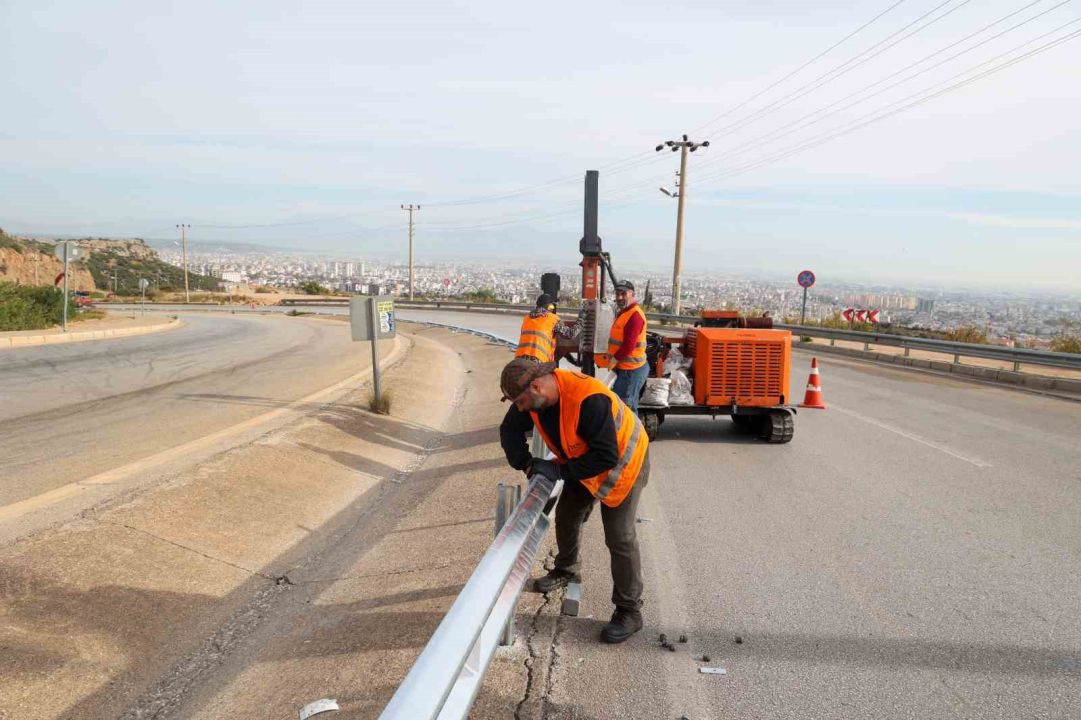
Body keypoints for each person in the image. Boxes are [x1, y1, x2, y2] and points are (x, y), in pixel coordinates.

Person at [498, 356, 650, 644]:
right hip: (585, 458)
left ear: (536, 387)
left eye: (519, 401)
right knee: (567, 513)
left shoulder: (589, 399)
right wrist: (527, 464)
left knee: (620, 536)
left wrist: (557, 469)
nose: (518, 409)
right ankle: (567, 569)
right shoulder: (532, 400)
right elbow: (508, 430)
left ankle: (630, 611)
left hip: (625, 460)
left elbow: (606, 457)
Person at [606, 280, 649, 412]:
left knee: (625, 409)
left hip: (631, 371)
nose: (619, 297)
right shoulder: (625, 312)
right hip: (625, 369)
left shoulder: (635, 315)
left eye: (623, 294)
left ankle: (628, 433)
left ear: (632, 294)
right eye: (617, 294)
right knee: (626, 407)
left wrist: (614, 359)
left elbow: (629, 345)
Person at [516, 293, 576, 363]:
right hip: (538, 360)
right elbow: (570, 334)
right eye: (552, 307)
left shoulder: (526, 318)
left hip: (519, 358)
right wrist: (582, 319)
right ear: (549, 307)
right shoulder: (553, 319)